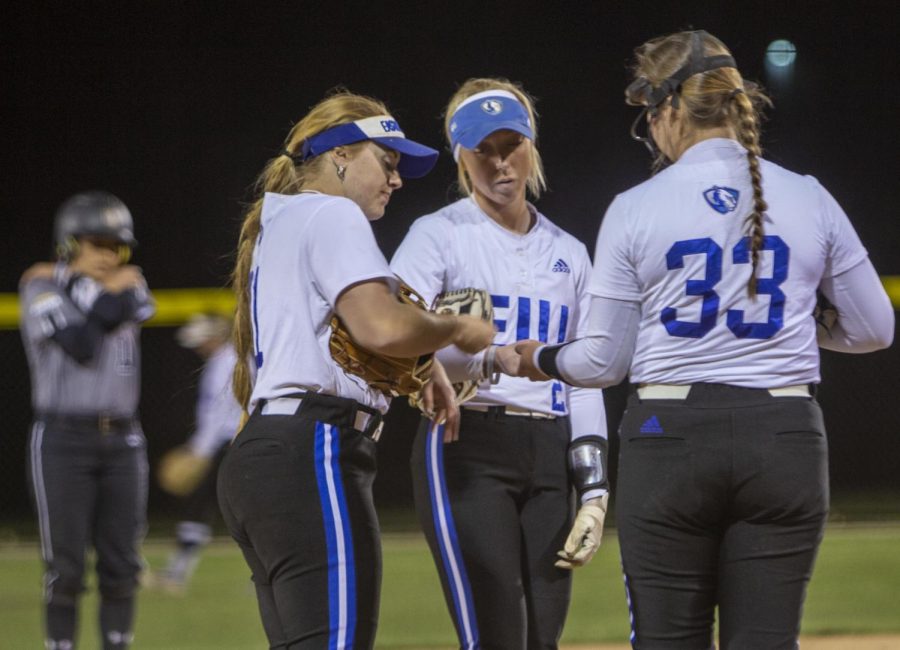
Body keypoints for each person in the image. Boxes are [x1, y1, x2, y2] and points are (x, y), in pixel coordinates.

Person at [514, 30, 895, 650]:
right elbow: (875, 329)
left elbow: (603, 362)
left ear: (667, 110)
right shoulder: (808, 194)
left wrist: (532, 357)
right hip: (787, 434)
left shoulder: (636, 207)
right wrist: (801, 322)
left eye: (649, 119)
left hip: (671, 438)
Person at [217, 90, 496, 650]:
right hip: (313, 454)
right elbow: (380, 328)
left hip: (262, 456)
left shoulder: (280, 222)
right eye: (386, 162)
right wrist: (453, 330)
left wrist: (421, 363)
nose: (396, 180)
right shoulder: (331, 211)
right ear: (341, 153)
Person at [390, 78, 608, 650]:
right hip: (468, 444)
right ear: (460, 156)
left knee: (543, 637)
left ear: (532, 145)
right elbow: (391, 333)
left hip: (551, 452)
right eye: (482, 149)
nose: (499, 162)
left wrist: (594, 487)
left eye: (510, 144)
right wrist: (487, 358)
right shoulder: (437, 236)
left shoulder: (570, 252)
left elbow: (582, 375)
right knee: (497, 635)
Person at [20, 191, 155, 650]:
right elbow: (80, 343)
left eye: (114, 245)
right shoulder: (39, 287)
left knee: (122, 563)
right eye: (94, 243)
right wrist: (87, 288)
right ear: (68, 243)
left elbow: (124, 308)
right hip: (62, 439)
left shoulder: (128, 284)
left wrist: (81, 287)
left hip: (123, 440)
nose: (107, 255)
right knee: (67, 566)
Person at [154, 313, 242, 592]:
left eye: (202, 339)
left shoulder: (227, 362)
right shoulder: (223, 361)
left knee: (211, 507)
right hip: (225, 444)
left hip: (230, 443)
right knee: (206, 507)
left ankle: (177, 573)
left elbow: (219, 414)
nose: (198, 346)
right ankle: (177, 571)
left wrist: (198, 450)